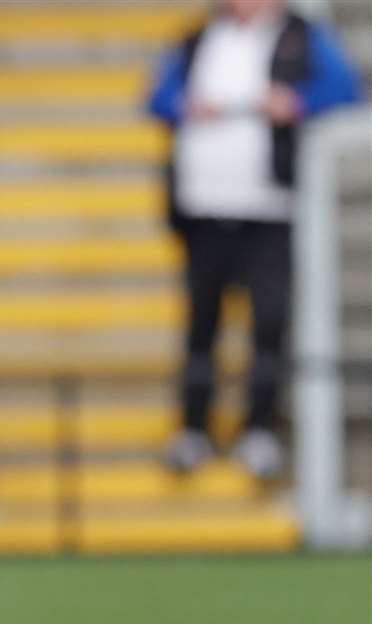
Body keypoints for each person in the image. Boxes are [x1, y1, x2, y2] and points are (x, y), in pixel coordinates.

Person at [148, 0, 361, 478]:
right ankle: (193, 429)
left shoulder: (303, 36)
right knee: (201, 325)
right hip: (203, 207)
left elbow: (347, 88)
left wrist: (296, 103)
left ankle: (259, 431)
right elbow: (158, 98)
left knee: (268, 323)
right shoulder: (198, 37)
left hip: (270, 209)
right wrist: (185, 105)